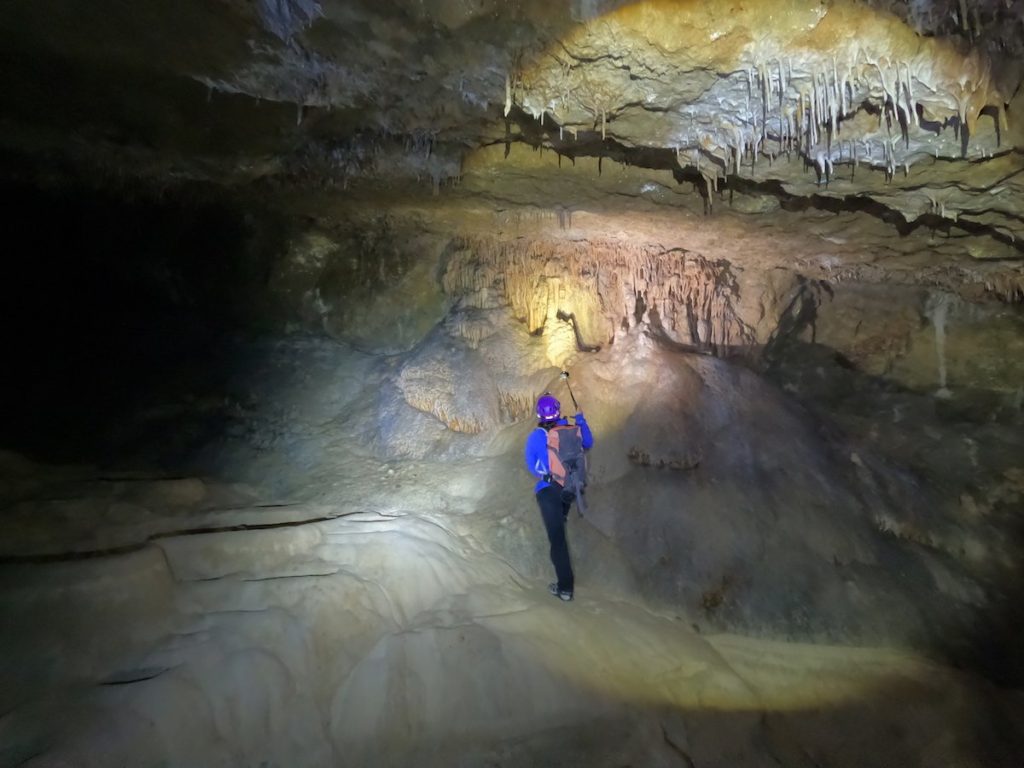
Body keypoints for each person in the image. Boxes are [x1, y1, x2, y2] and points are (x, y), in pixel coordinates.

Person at [524, 392, 594, 601]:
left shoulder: (536, 436)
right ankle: (561, 516)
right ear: (558, 410)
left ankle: (565, 588)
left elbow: (532, 467)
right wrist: (580, 419)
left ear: (539, 414)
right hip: (569, 490)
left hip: (548, 491)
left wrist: (547, 470)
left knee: (557, 540)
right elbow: (588, 443)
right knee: (559, 522)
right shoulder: (572, 429)